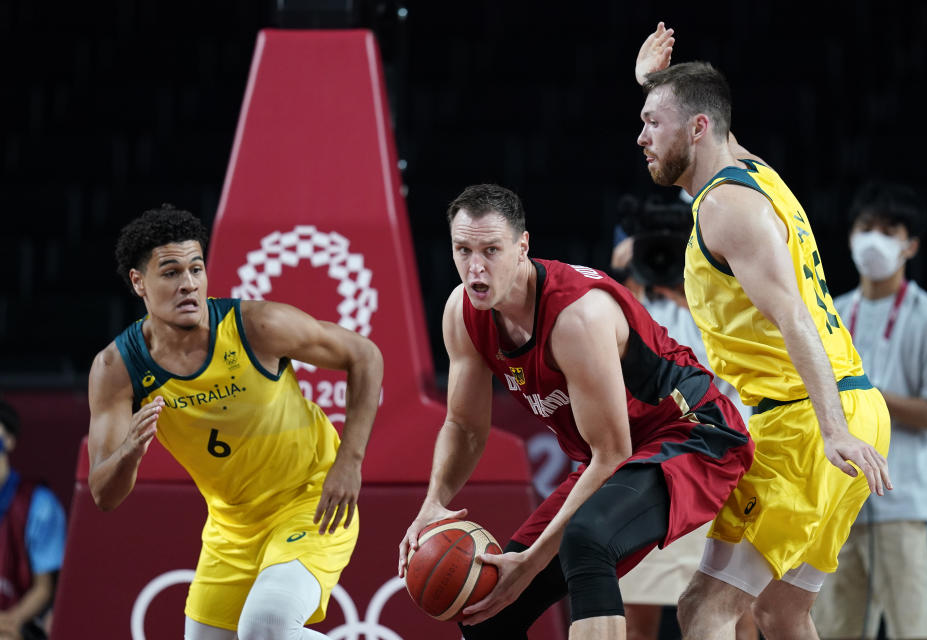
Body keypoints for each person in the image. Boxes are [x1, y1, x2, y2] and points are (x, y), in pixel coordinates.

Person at [398, 184, 754, 640]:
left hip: (696, 435)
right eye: (463, 250)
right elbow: (465, 427)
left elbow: (611, 453)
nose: (475, 267)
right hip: (620, 455)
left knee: (586, 540)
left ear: (523, 246)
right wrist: (433, 503)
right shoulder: (462, 313)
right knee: (489, 610)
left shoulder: (576, 316)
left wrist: (529, 563)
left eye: (491, 250)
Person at [634, 23, 893, 639]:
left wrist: (830, 431)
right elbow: (706, 111)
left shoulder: (726, 209)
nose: (640, 137)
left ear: (697, 129)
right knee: (783, 611)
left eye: (651, 122)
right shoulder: (756, 175)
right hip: (853, 407)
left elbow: (793, 320)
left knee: (703, 608)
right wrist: (654, 85)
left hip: (807, 423)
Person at [87, 204, 384, 640]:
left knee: (266, 627)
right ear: (139, 283)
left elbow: (365, 355)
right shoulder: (117, 367)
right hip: (231, 529)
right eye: (170, 273)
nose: (188, 284)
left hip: (310, 502)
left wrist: (350, 461)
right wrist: (129, 453)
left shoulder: (256, 326)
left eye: (196, 268)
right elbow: (104, 494)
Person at [811, 183, 927, 640]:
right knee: (833, 629)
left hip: (904, 505)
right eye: (865, 228)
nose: (874, 238)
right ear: (851, 237)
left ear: (910, 244)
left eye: (889, 230)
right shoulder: (831, 314)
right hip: (839, 503)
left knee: (912, 630)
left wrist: (866, 395)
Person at [610, 194, 756, 640]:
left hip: (727, 464)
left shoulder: (733, 290)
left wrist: (690, 291)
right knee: (636, 620)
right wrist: (629, 277)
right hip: (653, 468)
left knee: (734, 614)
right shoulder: (627, 302)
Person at [0, 399, 66, 640]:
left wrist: (12, 621)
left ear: (9, 440)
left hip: (20, 620)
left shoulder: (39, 504)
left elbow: (44, 587)